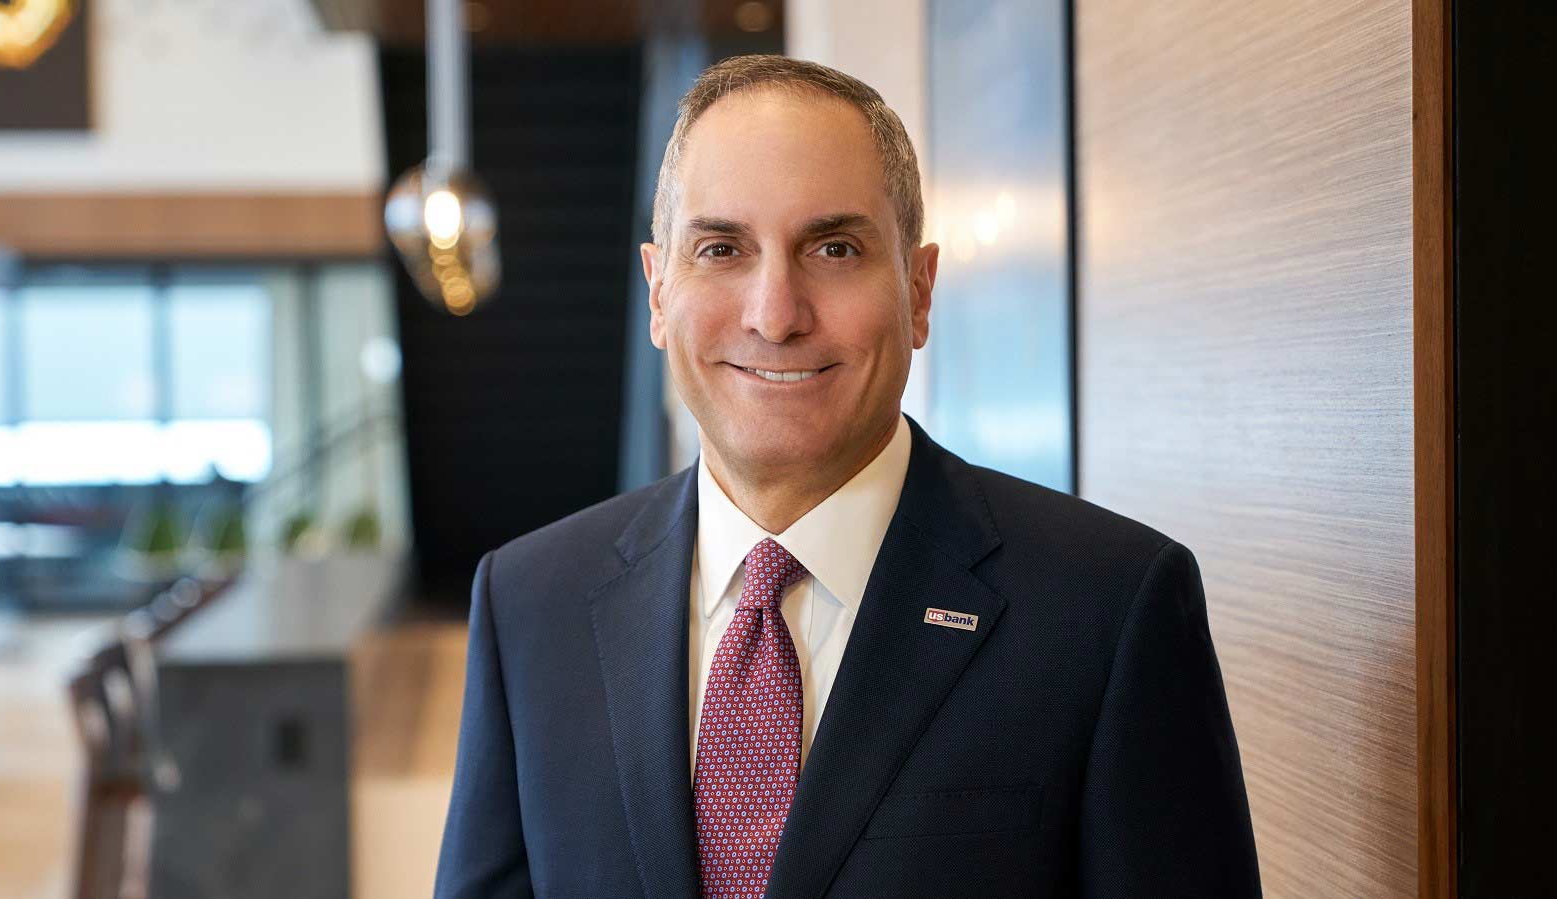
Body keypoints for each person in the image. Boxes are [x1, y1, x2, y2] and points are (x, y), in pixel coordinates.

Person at [433, 54, 1260, 899]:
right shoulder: (530, 602)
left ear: (918, 286)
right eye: (720, 248)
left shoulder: (1107, 607)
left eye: (833, 247)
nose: (774, 313)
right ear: (656, 292)